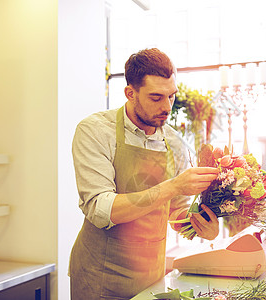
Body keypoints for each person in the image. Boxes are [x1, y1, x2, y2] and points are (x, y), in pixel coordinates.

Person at [69, 48, 220, 299]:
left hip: (151, 276)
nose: (167, 107)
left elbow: (176, 211)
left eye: (171, 96)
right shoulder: (95, 131)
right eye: (156, 97)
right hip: (99, 278)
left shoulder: (174, 142)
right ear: (130, 93)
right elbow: (100, 209)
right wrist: (173, 186)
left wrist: (201, 227)